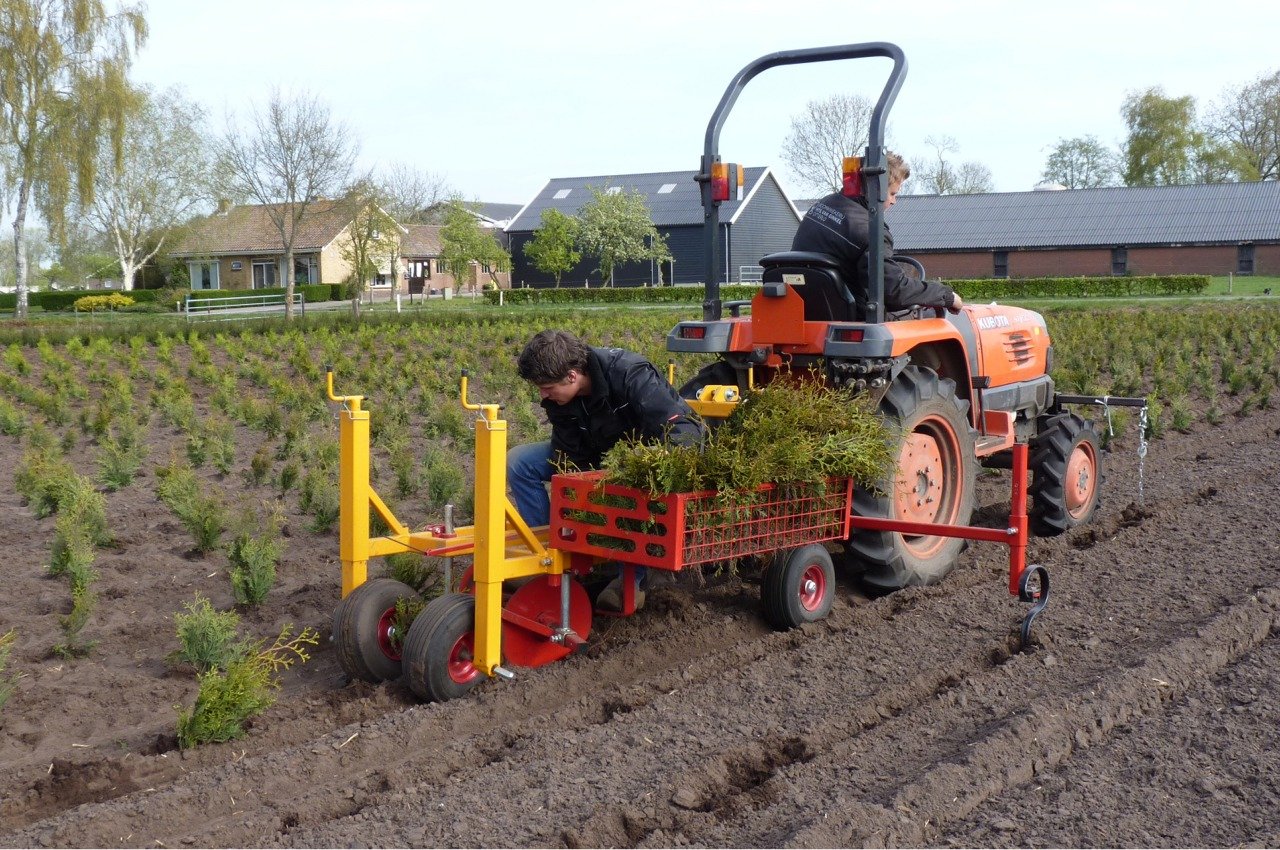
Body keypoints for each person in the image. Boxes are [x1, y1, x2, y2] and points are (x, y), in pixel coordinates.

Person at [508, 329, 705, 610]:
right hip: (594, 454)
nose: (543, 395)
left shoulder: (630, 374)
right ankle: (550, 554)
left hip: (635, 461)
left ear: (572, 376)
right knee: (520, 462)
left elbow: (684, 428)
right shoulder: (559, 398)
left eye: (547, 387)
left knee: (631, 484)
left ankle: (632, 578)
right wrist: (577, 495)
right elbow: (567, 452)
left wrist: (649, 459)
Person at [791, 150, 963, 317]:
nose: (894, 201)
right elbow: (894, 291)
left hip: (805, 313)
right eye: (893, 193)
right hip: (855, 319)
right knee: (932, 316)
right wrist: (947, 296)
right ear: (877, 190)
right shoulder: (871, 231)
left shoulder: (822, 206)